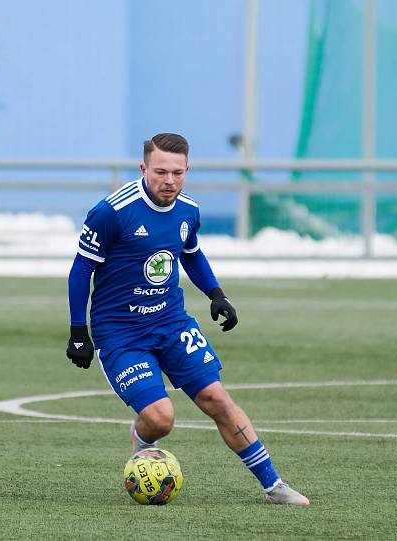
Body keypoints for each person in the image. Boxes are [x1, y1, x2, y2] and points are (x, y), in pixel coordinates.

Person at [65, 133, 309, 505]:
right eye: (160, 172)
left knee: (218, 399)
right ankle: (144, 440)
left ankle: (273, 486)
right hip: (120, 333)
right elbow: (82, 269)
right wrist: (78, 331)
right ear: (143, 168)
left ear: (187, 170)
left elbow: (191, 253)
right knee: (162, 418)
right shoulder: (112, 212)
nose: (169, 181)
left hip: (172, 323)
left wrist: (216, 294)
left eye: (177, 173)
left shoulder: (188, 209)